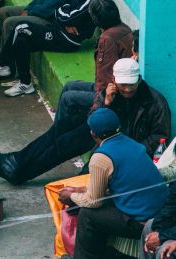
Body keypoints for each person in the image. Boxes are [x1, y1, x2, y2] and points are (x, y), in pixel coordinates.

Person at [0, 58, 171, 184]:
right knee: (63, 127)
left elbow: (160, 137)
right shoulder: (111, 92)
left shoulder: (155, 102)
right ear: (114, 80)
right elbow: (94, 117)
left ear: (139, 79)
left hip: (125, 146)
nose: (128, 89)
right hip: (105, 135)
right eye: (123, 84)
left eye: (132, 84)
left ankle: (17, 171)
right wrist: (106, 102)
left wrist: (131, 149)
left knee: (67, 142)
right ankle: (16, 162)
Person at [55, 109, 167, 259]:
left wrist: (71, 196)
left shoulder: (101, 157)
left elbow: (93, 201)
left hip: (142, 222)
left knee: (87, 215)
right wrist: (80, 190)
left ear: (93, 134)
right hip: (159, 212)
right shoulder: (131, 143)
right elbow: (116, 184)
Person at [51, 0, 134, 125]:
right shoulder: (124, 28)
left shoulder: (107, 39)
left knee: (68, 98)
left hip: (112, 94)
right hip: (115, 86)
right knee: (69, 86)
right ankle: (61, 123)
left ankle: (58, 131)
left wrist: (98, 105)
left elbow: (103, 79)